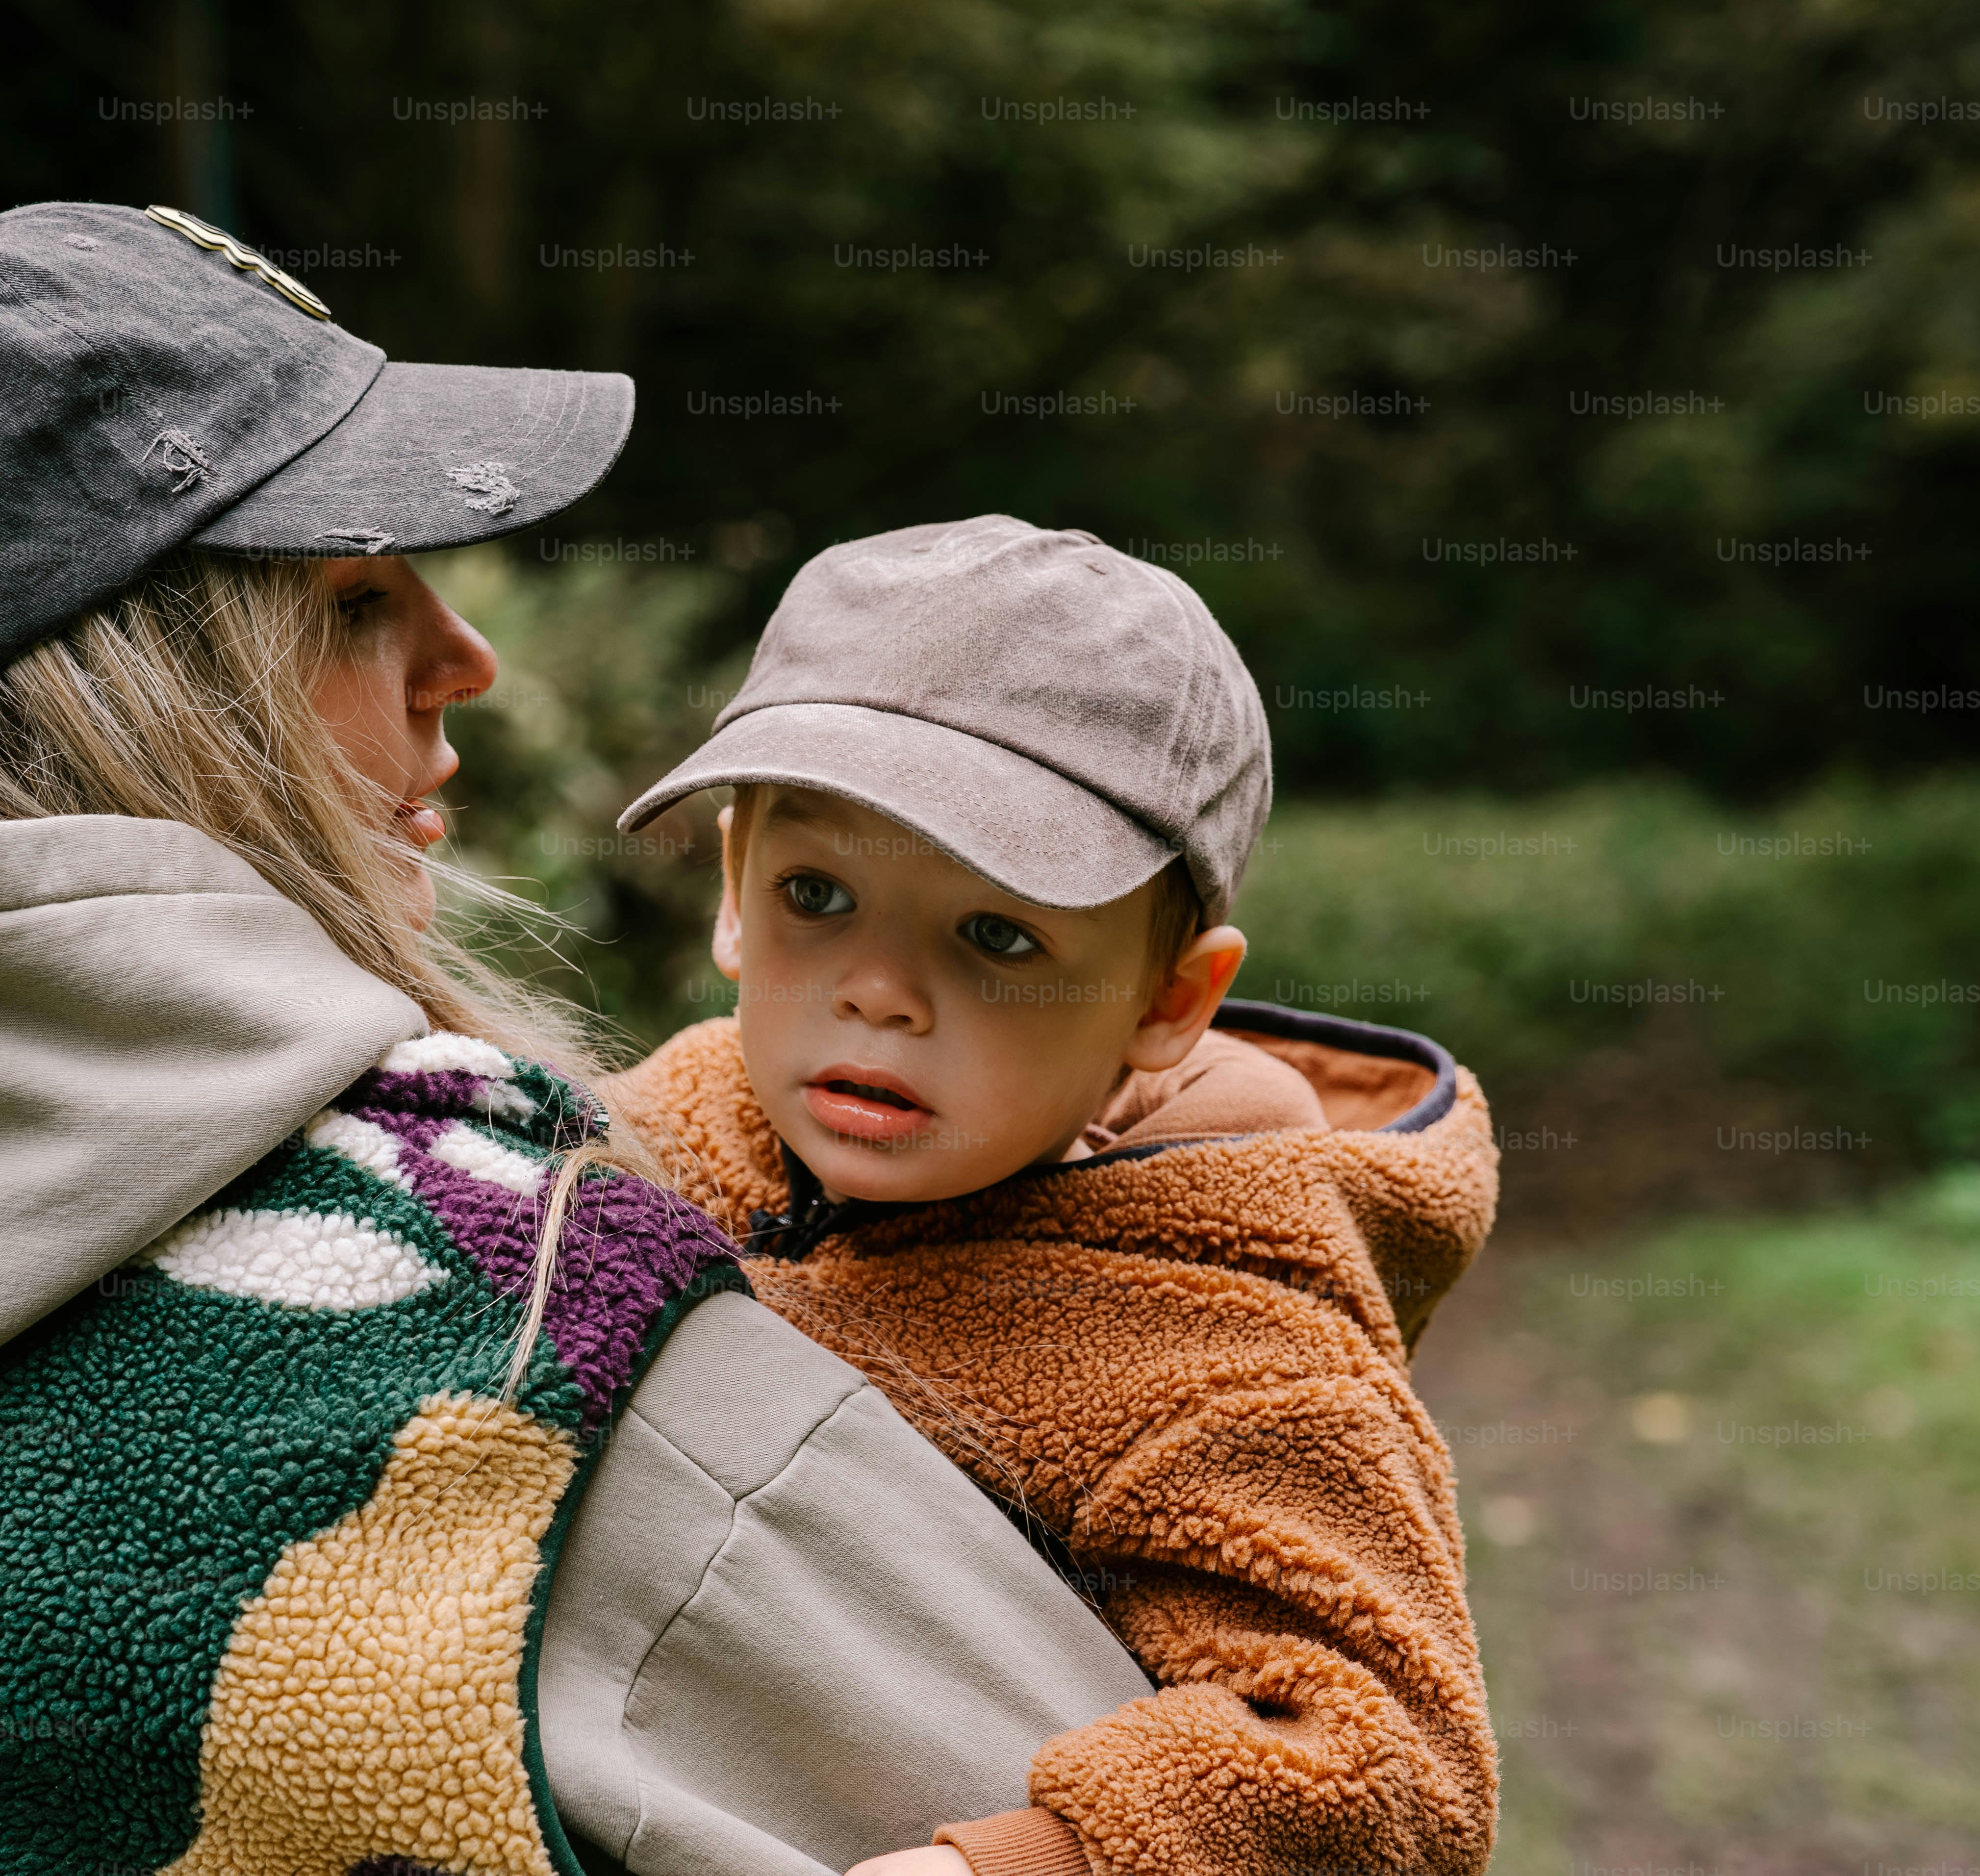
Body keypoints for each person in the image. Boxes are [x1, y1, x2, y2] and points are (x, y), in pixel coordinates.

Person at [0, 206, 1158, 1876]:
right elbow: (1135, 1804)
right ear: (149, 684)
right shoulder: (507, 1321)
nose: (463, 658)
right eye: (351, 602)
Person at [612, 515, 1506, 1876]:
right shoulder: (656, 1125)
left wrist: (1031, 1862)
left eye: (997, 936)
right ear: (733, 890)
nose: (877, 991)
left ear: (1169, 1000)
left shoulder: (1232, 1353)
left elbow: (1389, 1762)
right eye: (817, 892)